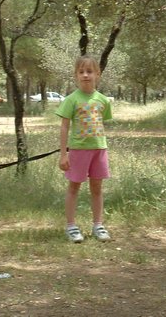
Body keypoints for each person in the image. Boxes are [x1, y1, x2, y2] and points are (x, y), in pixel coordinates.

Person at [55, 55, 113, 243]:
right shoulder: (71, 99)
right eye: (81, 72)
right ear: (76, 75)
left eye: (89, 71)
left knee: (97, 188)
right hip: (78, 151)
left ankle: (98, 225)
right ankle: (71, 226)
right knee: (74, 187)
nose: (85, 75)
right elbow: (64, 127)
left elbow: (102, 122)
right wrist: (64, 154)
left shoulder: (103, 100)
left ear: (98, 74)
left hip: (99, 150)